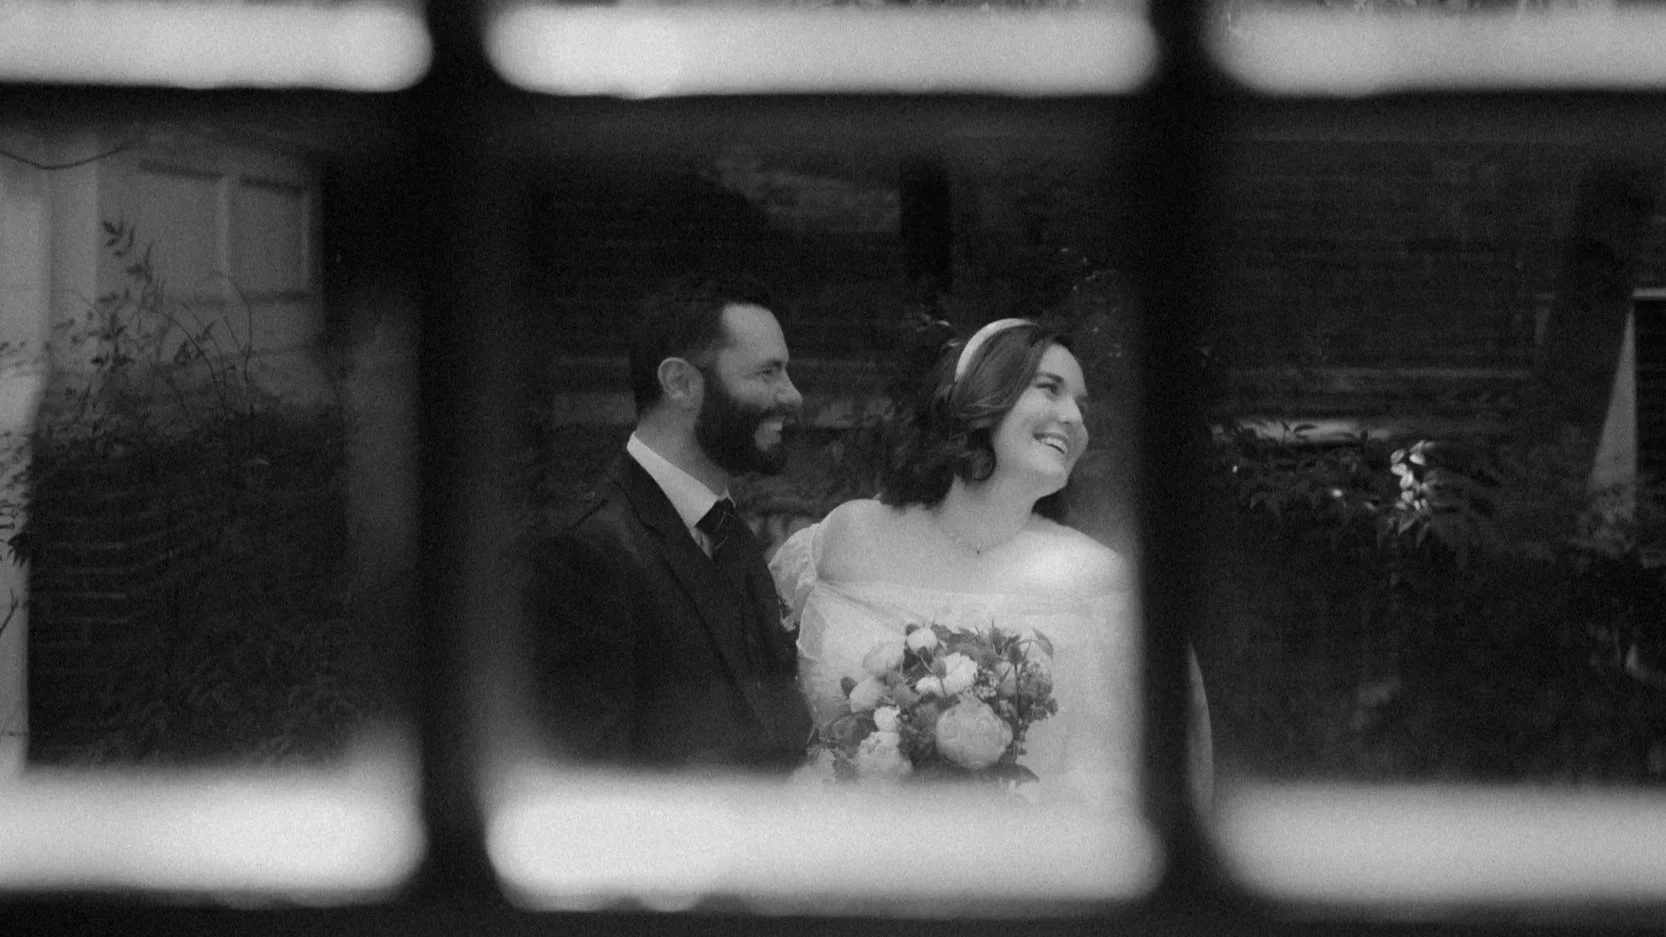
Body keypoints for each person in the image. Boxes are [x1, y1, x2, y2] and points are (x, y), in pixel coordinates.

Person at [771, 317, 1211, 807]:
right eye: (1050, 389)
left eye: (1082, 408)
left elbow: (1177, 770)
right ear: (983, 394)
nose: (1074, 419)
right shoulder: (845, 538)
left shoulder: (1100, 582)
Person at [525, 276, 813, 773]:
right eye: (767, 374)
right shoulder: (587, 551)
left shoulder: (724, 525)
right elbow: (589, 782)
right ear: (680, 383)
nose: (793, 396)